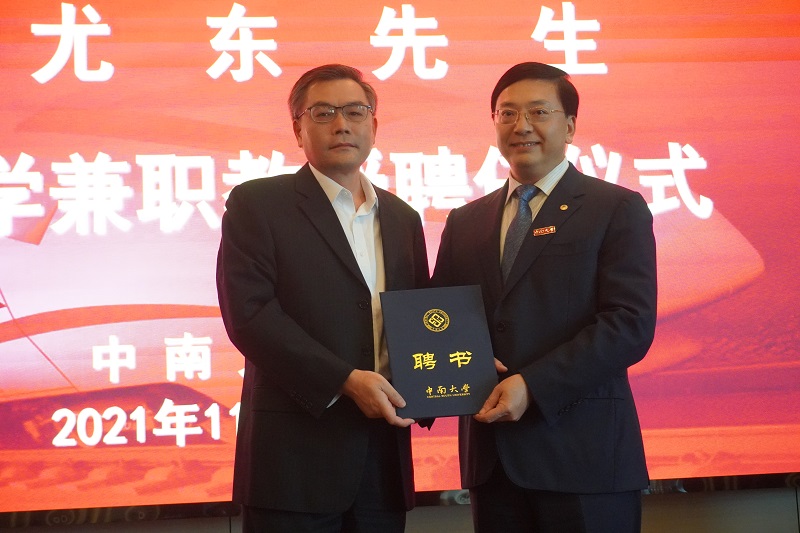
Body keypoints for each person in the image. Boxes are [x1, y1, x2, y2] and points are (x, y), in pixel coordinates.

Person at [431, 62, 657, 532]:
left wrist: (532, 385)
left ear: (570, 126)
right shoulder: (465, 221)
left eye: (538, 112)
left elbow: (628, 324)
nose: (522, 126)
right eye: (507, 113)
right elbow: (440, 319)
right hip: (493, 461)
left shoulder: (615, 207)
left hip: (585, 458)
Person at [216, 64, 429, 533]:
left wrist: (462, 365)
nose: (342, 125)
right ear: (298, 129)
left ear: (373, 125)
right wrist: (345, 380)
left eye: (355, 111)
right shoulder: (258, 204)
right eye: (324, 113)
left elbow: (420, 318)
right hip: (292, 464)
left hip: (382, 463)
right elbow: (249, 315)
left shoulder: (402, 218)